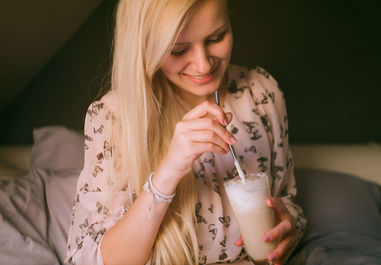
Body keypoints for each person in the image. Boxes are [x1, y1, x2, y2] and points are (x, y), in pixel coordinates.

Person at [65, 0, 306, 264]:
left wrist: (289, 224)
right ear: (145, 47)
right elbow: (89, 259)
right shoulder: (112, 118)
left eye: (216, 37)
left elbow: (285, 198)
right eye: (178, 50)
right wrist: (169, 171)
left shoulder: (261, 93)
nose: (203, 65)